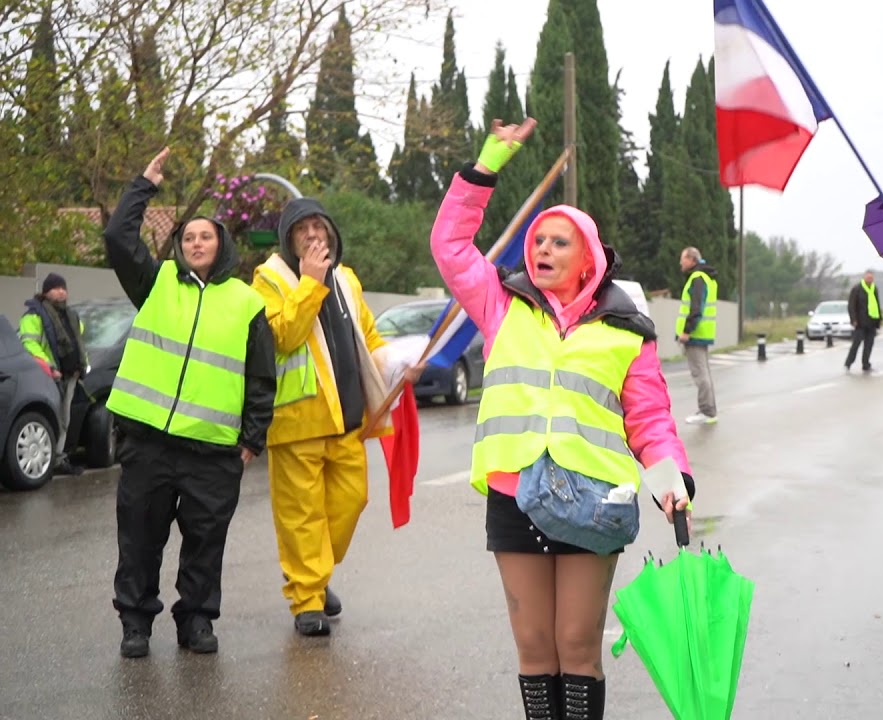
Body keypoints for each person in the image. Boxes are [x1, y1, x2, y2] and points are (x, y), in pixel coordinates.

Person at [430, 117, 695, 720]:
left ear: (589, 259)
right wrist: (487, 164)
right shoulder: (503, 306)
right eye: (538, 241)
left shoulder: (627, 331)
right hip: (514, 491)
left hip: (595, 498)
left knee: (577, 646)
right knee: (534, 646)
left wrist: (671, 477)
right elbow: (450, 246)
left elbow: (650, 417)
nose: (543, 249)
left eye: (559, 242)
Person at [104, 147, 277, 658]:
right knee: (139, 540)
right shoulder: (156, 282)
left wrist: (250, 442)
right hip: (149, 444)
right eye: (188, 237)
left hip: (212, 454)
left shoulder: (247, 302)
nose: (196, 242)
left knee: (205, 546)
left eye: (206, 236)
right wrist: (143, 184)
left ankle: (196, 620)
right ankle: (135, 623)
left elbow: (261, 378)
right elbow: (117, 237)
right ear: (179, 246)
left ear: (221, 245)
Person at [252, 197, 424, 637]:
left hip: (348, 419)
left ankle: (317, 574)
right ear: (289, 239)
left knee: (351, 502)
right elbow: (281, 337)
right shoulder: (269, 279)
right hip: (295, 423)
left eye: (319, 227)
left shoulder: (347, 279)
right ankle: (307, 600)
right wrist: (309, 283)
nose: (313, 235)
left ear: (331, 233)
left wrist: (400, 365)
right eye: (302, 230)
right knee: (301, 516)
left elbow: (368, 335)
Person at [20, 272, 89, 474]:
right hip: (47, 376)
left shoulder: (71, 315)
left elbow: (79, 343)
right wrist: (49, 367)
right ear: (45, 292)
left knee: (64, 420)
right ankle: (52, 462)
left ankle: (58, 459)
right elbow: (29, 344)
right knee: (54, 419)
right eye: (56, 288)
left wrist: (82, 366)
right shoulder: (34, 315)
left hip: (70, 375)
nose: (61, 292)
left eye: (63, 288)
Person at [676, 246, 719, 424]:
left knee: (700, 373)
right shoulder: (704, 277)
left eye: (683, 259)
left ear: (692, 260)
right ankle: (709, 410)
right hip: (701, 333)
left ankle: (706, 411)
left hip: (695, 335)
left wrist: (687, 330)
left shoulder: (698, 278)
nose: (680, 262)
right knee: (704, 373)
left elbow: (696, 308)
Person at [844, 269, 881, 373]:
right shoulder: (857, 289)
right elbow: (851, 306)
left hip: (872, 321)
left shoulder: (874, 289)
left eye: (871, 278)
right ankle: (848, 363)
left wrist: (880, 319)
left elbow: (877, 305)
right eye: (868, 277)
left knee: (869, 345)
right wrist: (853, 319)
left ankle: (866, 364)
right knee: (856, 344)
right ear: (864, 277)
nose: (870, 279)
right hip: (860, 321)